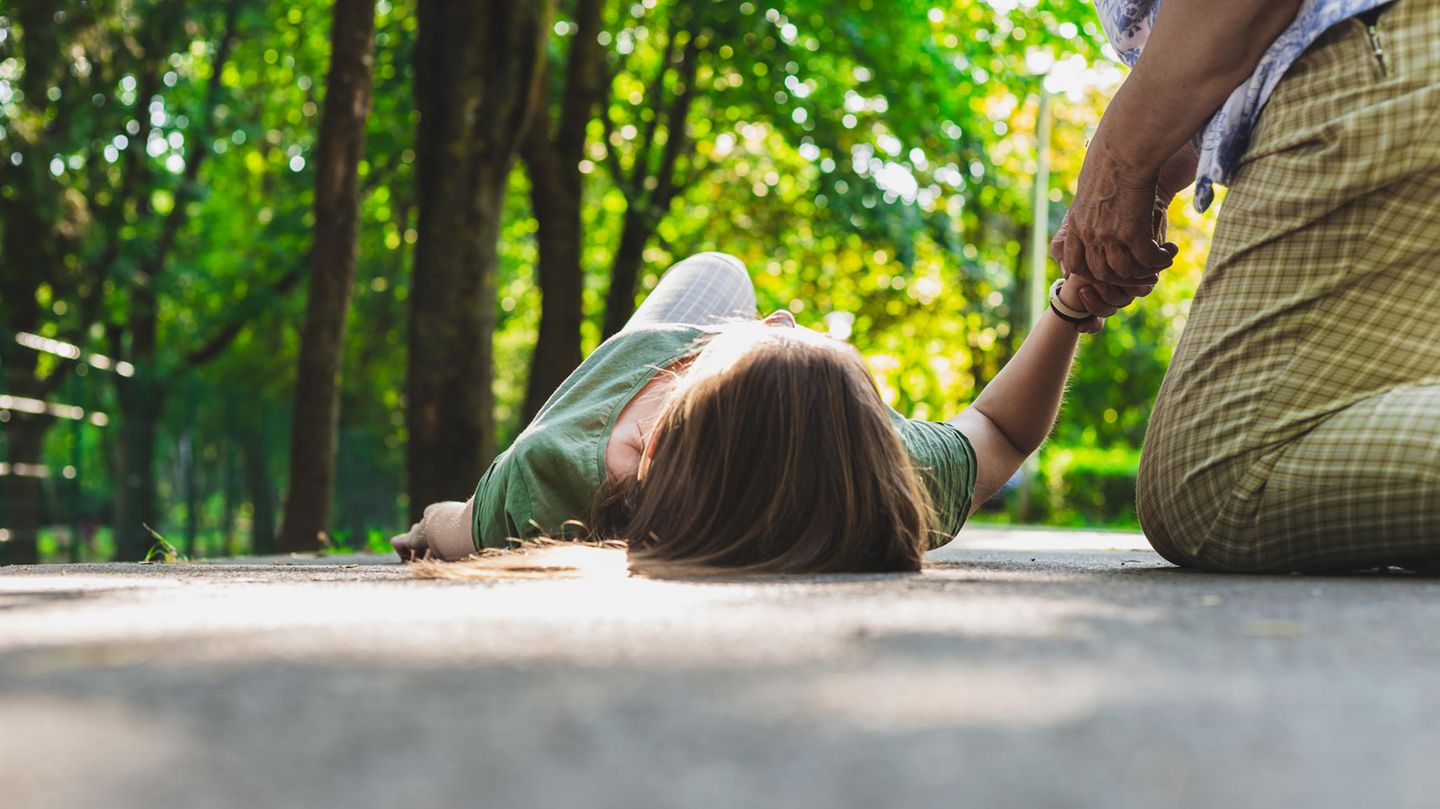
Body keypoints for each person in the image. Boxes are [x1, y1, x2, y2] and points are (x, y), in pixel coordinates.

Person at [393, 251, 1150, 574]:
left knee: (719, 272)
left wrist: (432, 527)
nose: (784, 314)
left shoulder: (543, 474)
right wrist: (1069, 305)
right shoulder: (871, 476)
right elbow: (1004, 431)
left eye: (775, 338)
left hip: (608, 398)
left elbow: (443, 521)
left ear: (672, 418)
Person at [1060, 0, 1439, 571]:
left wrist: (1119, 157)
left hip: (1371, 63)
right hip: (1401, 59)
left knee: (1214, 478)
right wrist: (1151, 179)